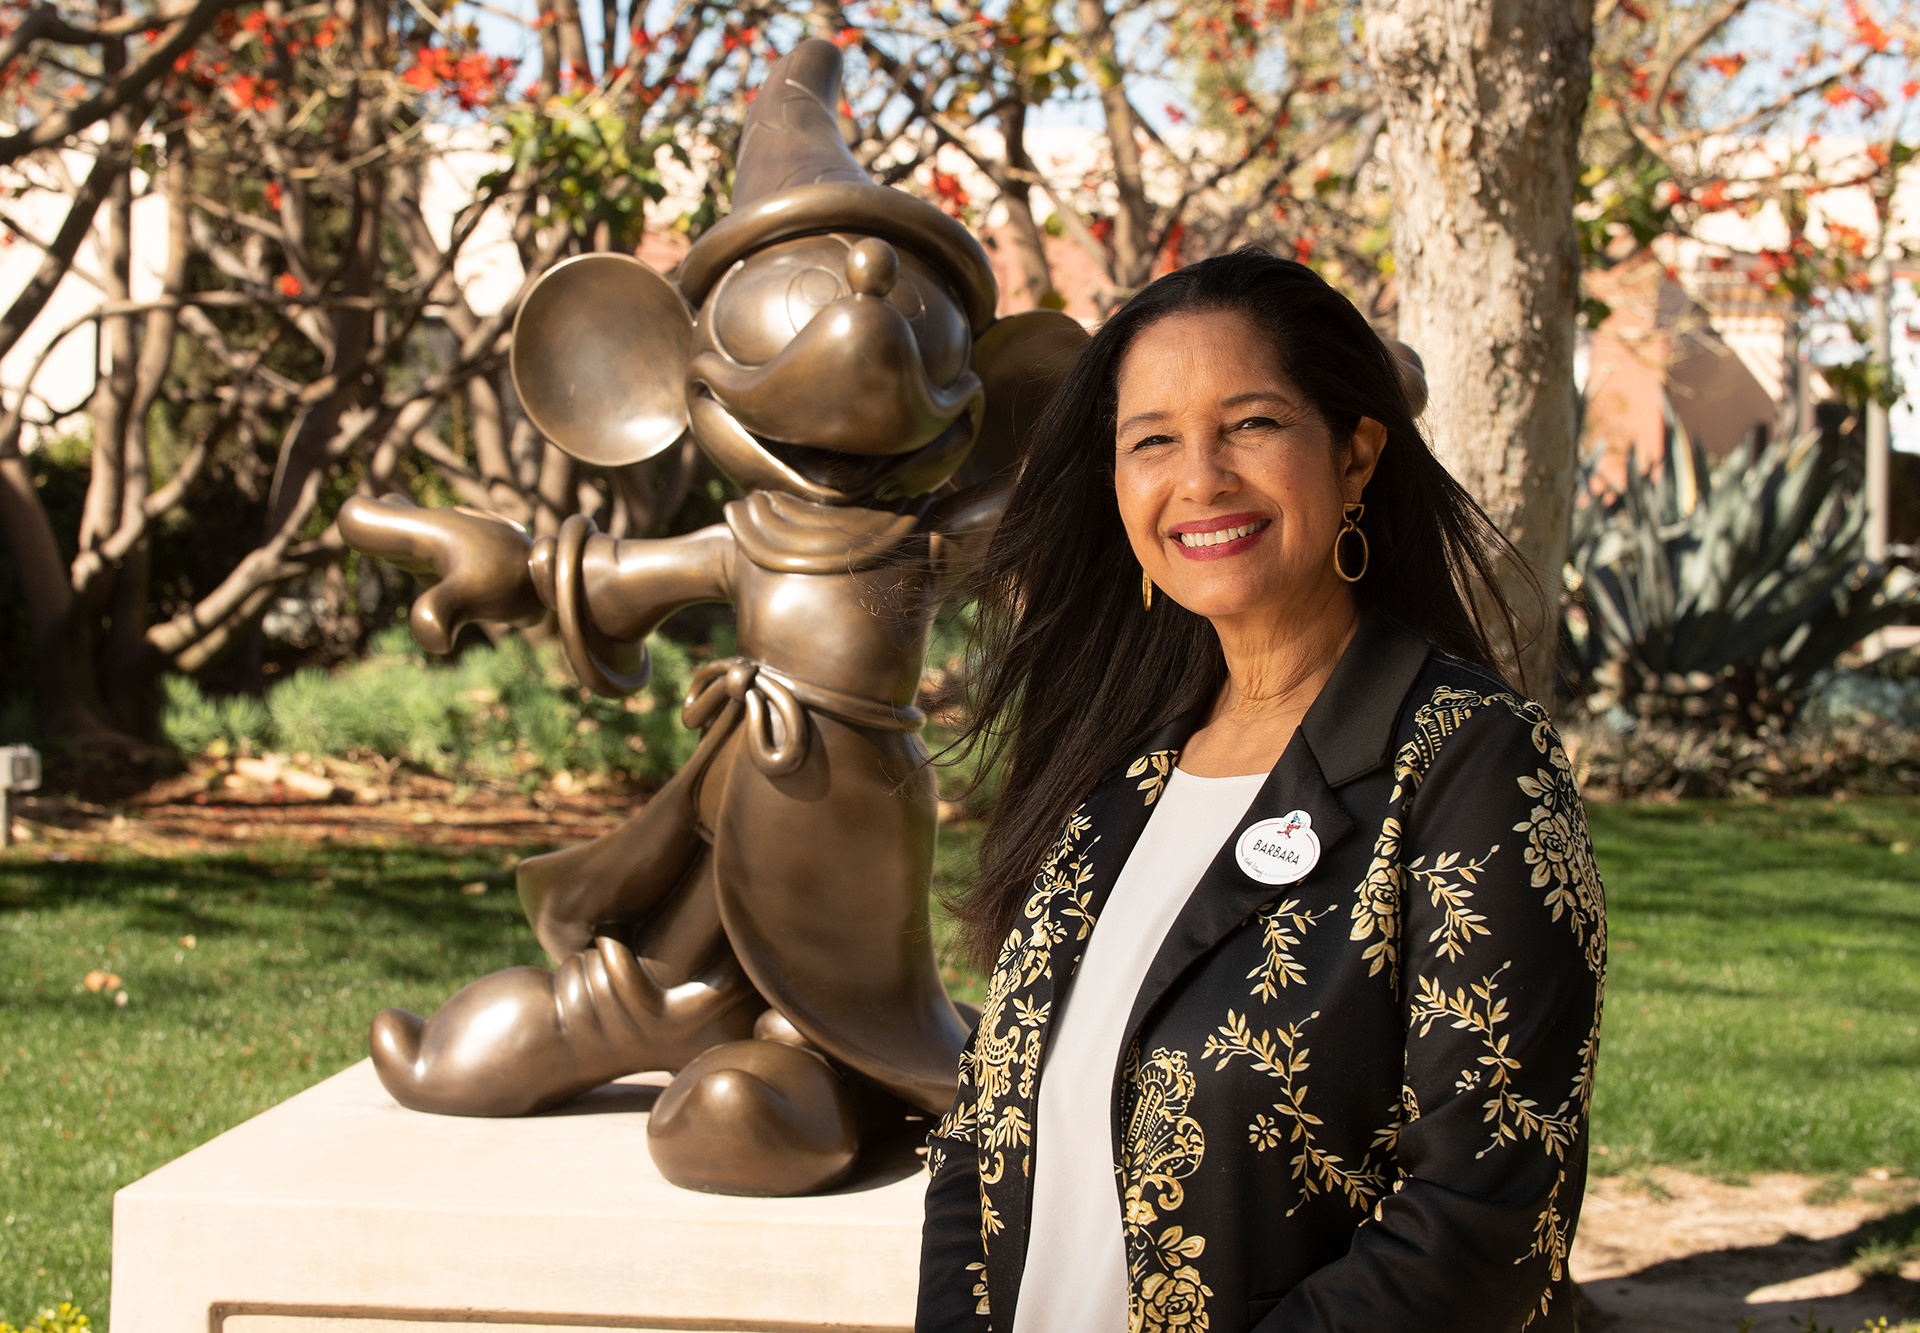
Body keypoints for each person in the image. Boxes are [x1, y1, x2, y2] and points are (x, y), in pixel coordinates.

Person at [916, 248, 1605, 1333]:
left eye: (1250, 425)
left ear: (1358, 455)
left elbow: (1483, 1216)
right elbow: (979, 1137)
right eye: (1152, 441)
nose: (1200, 479)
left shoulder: (1469, 762)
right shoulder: (1113, 775)